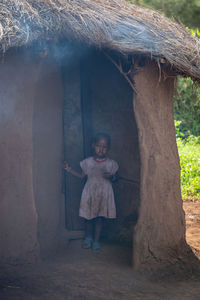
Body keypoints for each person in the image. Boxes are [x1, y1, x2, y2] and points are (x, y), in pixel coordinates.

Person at [64, 132, 119, 250]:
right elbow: (81, 176)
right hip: (90, 193)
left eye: (104, 147)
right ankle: (88, 238)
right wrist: (69, 169)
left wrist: (112, 177)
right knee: (88, 218)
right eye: (99, 146)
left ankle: (96, 241)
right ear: (93, 145)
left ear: (108, 149)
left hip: (103, 194)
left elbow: (116, 178)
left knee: (99, 218)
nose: (101, 149)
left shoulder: (111, 164)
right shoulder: (88, 162)